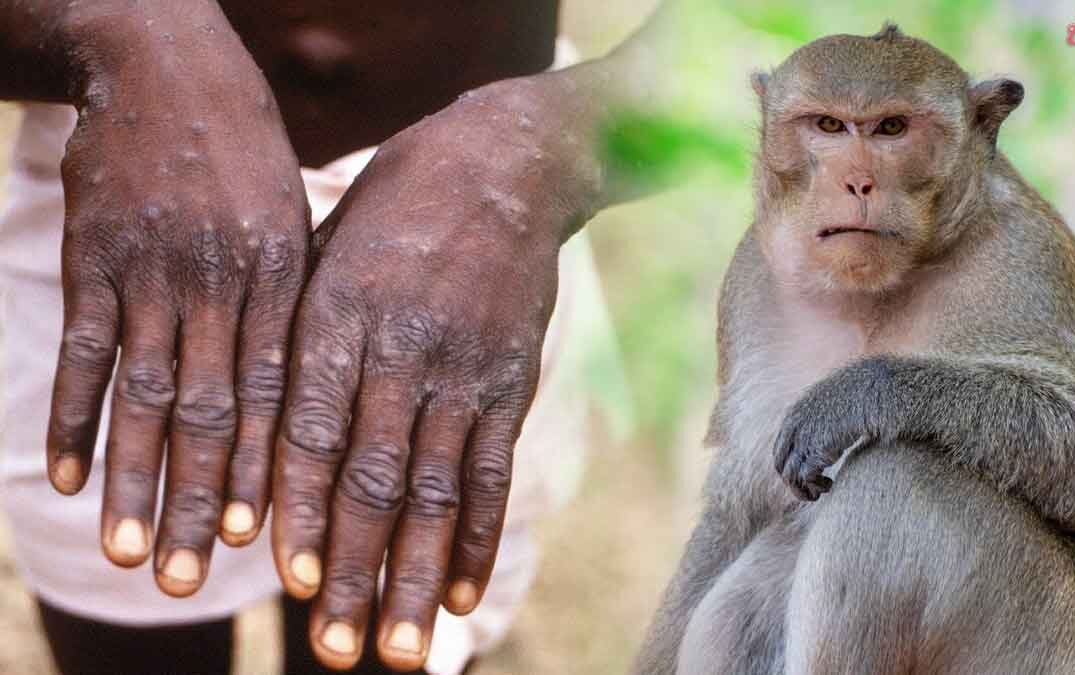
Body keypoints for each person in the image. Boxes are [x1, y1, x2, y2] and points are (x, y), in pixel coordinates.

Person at [0, 2, 662, 673]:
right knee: (126, 621)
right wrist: (114, 32)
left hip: (470, 232)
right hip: (134, 176)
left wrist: (553, 146)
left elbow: (761, 31)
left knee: (391, 629)